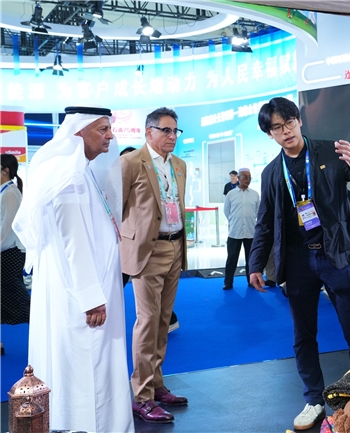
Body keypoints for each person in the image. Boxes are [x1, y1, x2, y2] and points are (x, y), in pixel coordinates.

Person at [248, 97, 350, 431]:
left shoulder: (331, 152)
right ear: (269, 134)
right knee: (303, 334)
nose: (286, 131)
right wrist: (255, 263)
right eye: (277, 127)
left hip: (336, 255)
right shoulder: (271, 172)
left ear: (299, 120)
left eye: (289, 122)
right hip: (297, 261)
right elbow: (265, 222)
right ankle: (313, 399)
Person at [12, 106, 134, 432]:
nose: (110, 136)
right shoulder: (68, 176)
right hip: (81, 296)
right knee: (86, 365)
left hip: (87, 288)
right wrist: (91, 298)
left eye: (110, 129)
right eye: (102, 129)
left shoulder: (81, 170)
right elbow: (74, 242)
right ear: (78, 132)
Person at [120, 107, 188, 424]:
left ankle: (156, 384)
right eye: (166, 130)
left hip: (175, 246)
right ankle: (142, 396)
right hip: (147, 251)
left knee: (163, 322)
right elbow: (116, 209)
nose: (172, 136)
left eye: (176, 131)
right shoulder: (131, 162)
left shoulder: (179, 165)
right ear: (149, 132)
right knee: (147, 323)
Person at [119, 146, 180, 333]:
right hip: (128, 243)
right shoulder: (123, 173)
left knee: (159, 302)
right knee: (144, 310)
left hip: (156, 242)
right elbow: (116, 208)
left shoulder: (170, 169)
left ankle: (169, 320)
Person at [1, 154, 31, 356]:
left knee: (18, 296)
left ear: (6, 171)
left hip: (10, 252)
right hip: (6, 250)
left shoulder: (11, 193)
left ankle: (43, 327)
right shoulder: (5, 191)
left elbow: (8, 228)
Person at [223, 167, 259, 290]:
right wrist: (234, 221)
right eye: (244, 177)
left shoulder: (255, 194)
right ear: (238, 178)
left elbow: (258, 211)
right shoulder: (231, 194)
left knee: (251, 259)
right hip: (235, 232)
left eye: (249, 177)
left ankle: (251, 282)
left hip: (250, 231)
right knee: (231, 259)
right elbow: (226, 211)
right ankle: (228, 282)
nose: (247, 179)